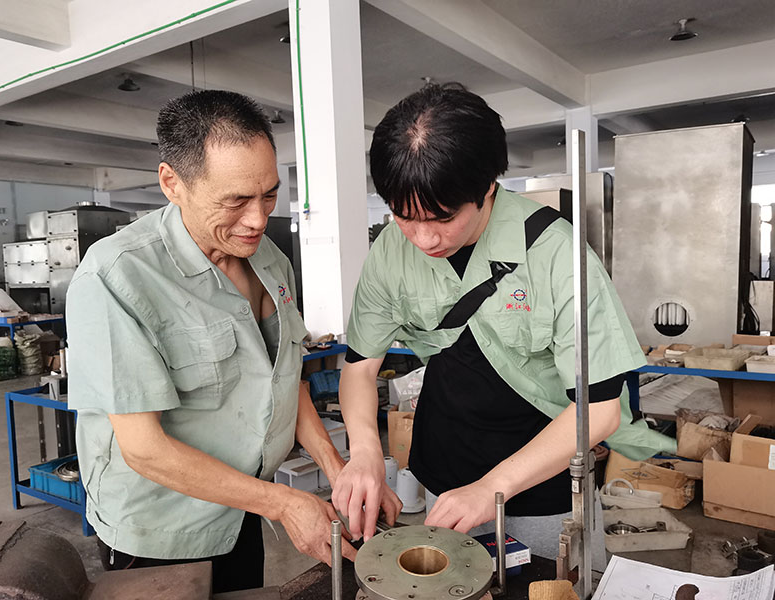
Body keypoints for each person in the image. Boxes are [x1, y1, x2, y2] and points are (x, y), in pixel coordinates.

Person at [331, 83, 675, 564]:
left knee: (551, 584)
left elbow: (599, 410)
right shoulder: (391, 249)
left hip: (544, 484)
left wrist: (492, 488)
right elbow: (359, 367)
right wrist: (366, 452)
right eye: (405, 217)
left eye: (442, 218)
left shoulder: (555, 252)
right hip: (444, 470)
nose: (424, 238)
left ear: (487, 187)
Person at [67, 90, 381, 592]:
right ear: (172, 183)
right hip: (162, 531)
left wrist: (337, 468)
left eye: (269, 195)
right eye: (235, 201)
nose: (258, 219)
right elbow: (144, 449)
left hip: (242, 505)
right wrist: (284, 503)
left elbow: (283, 381)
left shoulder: (269, 259)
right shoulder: (116, 277)